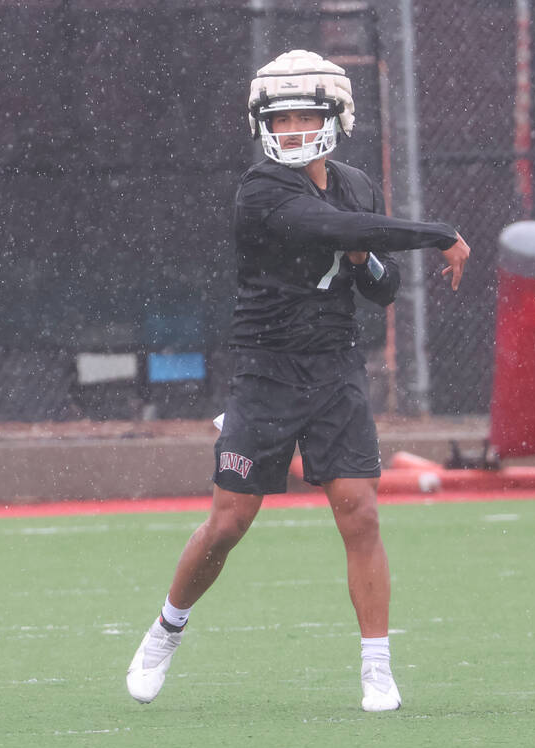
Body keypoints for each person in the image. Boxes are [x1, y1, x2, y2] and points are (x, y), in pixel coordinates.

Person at [125, 50, 471, 712]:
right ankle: (167, 626)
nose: (288, 130)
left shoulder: (355, 184)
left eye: (301, 116)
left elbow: (381, 289)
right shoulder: (261, 190)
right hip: (266, 369)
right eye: (278, 119)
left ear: (334, 117)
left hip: (335, 365)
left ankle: (377, 667)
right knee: (230, 521)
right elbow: (335, 229)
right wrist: (437, 233)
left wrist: (370, 260)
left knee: (360, 512)